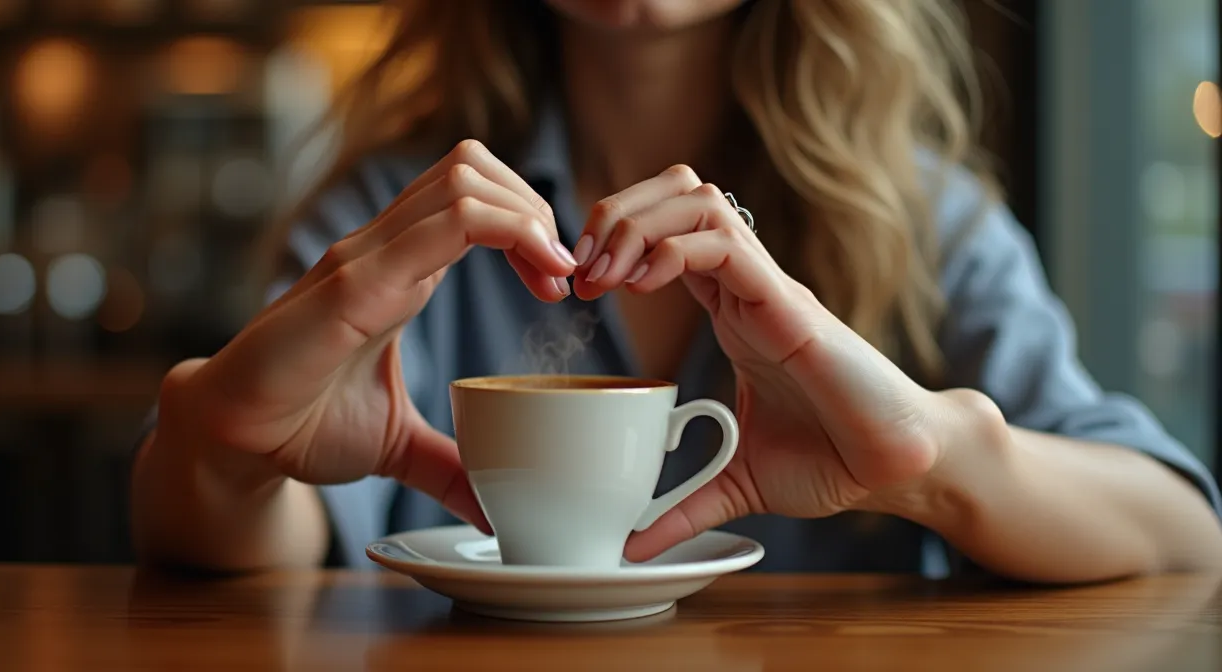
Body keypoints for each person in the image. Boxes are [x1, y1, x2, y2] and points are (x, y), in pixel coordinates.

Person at [130, 0, 1222, 582]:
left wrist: (929, 463)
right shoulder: (398, 216)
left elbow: (1184, 532)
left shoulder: (925, 218)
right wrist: (224, 451)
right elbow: (238, 542)